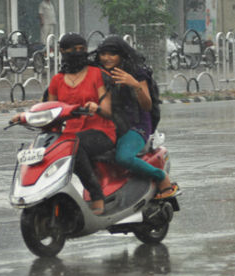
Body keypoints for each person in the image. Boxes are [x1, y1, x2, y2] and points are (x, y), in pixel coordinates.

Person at [11, 33, 115, 215]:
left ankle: (97, 195)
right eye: (73, 50)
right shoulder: (57, 80)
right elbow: (48, 109)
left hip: (100, 131)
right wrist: (24, 115)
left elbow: (107, 110)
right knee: (46, 150)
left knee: (74, 146)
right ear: (62, 52)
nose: (78, 53)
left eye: (82, 49)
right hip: (68, 135)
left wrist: (96, 108)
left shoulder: (97, 74)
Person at [94, 35, 177, 199]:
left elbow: (147, 105)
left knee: (123, 158)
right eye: (103, 54)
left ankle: (161, 177)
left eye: (112, 54)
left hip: (136, 124)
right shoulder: (97, 72)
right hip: (109, 123)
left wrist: (134, 84)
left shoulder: (137, 73)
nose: (107, 58)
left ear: (122, 55)